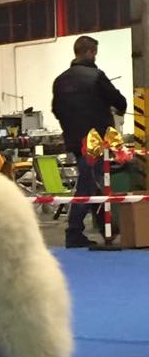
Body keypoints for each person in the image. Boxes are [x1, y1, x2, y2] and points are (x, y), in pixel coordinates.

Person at [52, 35, 127, 248]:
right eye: (95, 53)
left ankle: (107, 229)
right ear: (90, 52)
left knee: (95, 182)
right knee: (88, 184)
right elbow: (119, 101)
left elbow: (56, 110)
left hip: (75, 140)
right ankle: (74, 232)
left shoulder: (60, 80)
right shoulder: (96, 76)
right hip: (96, 140)